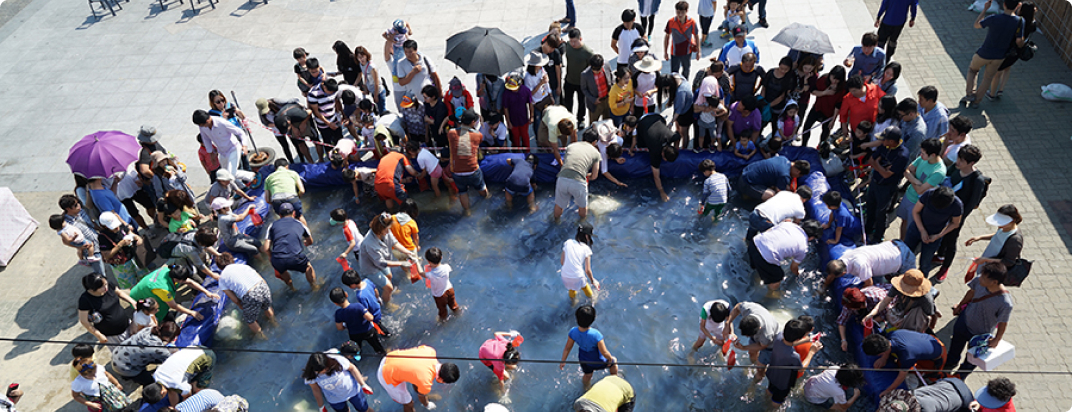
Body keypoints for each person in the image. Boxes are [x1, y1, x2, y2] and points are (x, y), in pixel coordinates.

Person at [945, 262, 1013, 377]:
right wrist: (960, 305)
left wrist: (997, 339)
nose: (979, 278)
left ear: (994, 282)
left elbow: (1003, 323)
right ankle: (950, 363)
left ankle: (960, 376)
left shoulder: (1005, 303)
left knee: (972, 360)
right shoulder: (979, 281)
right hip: (964, 321)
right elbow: (971, 292)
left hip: (980, 334)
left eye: (983, 277)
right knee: (955, 346)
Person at [933, 145, 986, 281]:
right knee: (942, 235)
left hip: (957, 215)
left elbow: (971, 204)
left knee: (951, 239)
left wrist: (957, 219)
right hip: (943, 209)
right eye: (958, 158)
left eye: (962, 161)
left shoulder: (977, 180)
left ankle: (945, 266)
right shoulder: (956, 168)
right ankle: (940, 255)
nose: (958, 162)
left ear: (971, 163)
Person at [962, 0, 1025, 108]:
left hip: (984, 53)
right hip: (999, 56)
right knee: (988, 78)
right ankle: (977, 101)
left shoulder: (994, 18)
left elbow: (977, 25)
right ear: (1018, 6)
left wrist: (985, 9)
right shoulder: (1020, 21)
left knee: (973, 70)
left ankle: (969, 94)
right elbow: (1019, 41)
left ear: (1004, 4)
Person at [863, 329, 945, 396]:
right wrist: (884, 358)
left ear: (880, 353)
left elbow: (901, 376)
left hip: (939, 353)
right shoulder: (893, 334)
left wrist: (888, 391)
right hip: (929, 339)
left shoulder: (907, 356)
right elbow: (888, 345)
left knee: (912, 371)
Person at [376, 346, 459, 412]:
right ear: (441, 380)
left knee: (417, 380)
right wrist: (427, 404)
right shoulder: (426, 382)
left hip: (389, 357)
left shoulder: (430, 351)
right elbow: (422, 396)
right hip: (385, 375)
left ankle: (421, 392)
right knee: (409, 403)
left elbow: (417, 371)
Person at [358, 213, 417, 306]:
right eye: (387, 229)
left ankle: (389, 292)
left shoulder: (385, 231)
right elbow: (381, 263)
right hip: (370, 268)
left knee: (389, 275)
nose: (389, 231)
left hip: (380, 260)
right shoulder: (369, 243)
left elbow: (395, 243)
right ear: (380, 229)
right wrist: (401, 263)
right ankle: (388, 304)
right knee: (388, 287)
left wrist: (408, 252)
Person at [863, 127, 910, 243]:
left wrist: (877, 164)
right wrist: (880, 167)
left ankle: (878, 236)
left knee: (881, 212)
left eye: (885, 140)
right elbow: (871, 160)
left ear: (892, 141)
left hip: (887, 187)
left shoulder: (902, 155)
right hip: (874, 182)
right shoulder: (884, 146)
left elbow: (886, 175)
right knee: (870, 206)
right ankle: (868, 228)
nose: (882, 142)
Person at [749, 220, 822, 292]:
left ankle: (757, 277)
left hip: (755, 242)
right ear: (812, 237)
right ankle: (770, 296)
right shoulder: (803, 248)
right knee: (777, 277)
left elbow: (769, 231)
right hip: (765, 256)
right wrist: (798, 274)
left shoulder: (789, 224)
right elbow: (793, 268)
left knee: (758, 266)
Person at [906, 186, 964, 276]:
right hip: (916, 228)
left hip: (935, 235)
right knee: (905, 254)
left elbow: (955, 223)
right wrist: (922, 230)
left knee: (925, 264)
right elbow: (915, 211)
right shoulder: (929, 194)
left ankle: (921, 284)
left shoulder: (957, 205)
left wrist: (939, 235)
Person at [262, 202, 319, 292]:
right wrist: (306, 243)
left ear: (280, 215)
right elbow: (310, 241)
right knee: (308, 267)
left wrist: (270, 257)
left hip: (278, 259)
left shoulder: (272, 225)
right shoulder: (300, 224)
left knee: (282, 271)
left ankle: (292, 288)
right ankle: (314, 286)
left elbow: (266, 248)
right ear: (294, 213)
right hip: (294, 258)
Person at [216, 253, 274, 339]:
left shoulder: (222, 279)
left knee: (250, 321)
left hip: (250, 294)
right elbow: (261, 279)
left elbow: (234, 299)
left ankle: (263, 338)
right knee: (267, 306)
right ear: (232, 260)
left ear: (219, 267)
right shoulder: (243, 266)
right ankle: (275, 323)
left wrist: (243, 307)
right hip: (262, 286)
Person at [897, 138, 947, 239]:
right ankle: (901, 241)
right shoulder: (923, 158)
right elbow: (907, 171)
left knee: (911, 229)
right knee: (904, 221)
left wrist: (911, 177)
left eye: (923, 153)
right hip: (908, 195)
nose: (920, 155)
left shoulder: (938, 172)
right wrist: (916, 181)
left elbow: (920, 190)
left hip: (917, 203)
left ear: (932, 155)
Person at [130, 265, 214, 324]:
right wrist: (192, 313)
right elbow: (174, 306)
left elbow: (190, 282)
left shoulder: (170, 271)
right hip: (140, 297)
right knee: (155, 317)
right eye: (183, 280)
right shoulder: (164, 289)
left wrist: (206, 292)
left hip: (147, 290)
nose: (185, 281)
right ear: (177, 279)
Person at [560, 304, 618, 389]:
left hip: (583, 359)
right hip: (597, 360)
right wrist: (609, 359)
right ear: (593, 319)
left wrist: (563, 360)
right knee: (614, 362)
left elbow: (567, 348)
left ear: (577, 319)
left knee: (587, 375)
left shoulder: (573, 332)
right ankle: (615, 381)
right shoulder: (596, 335)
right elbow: (604, 352)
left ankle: (586, 388)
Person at [767, 319, 822, 405]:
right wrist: (812, 352)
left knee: (770, 390)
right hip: (782, 384)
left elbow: (789, 343)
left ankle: (766, 398)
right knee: (777, 402)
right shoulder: (794, 356)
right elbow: (801, 369)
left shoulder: (779, 337)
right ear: (798, 339)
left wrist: (808, 339)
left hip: (771, 374)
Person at [723, 301, 782, 381]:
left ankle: (757, 378)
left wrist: (743, 347)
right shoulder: (748, 309)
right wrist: (728, 323)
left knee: (760, 368)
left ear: (759, 329)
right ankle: (754, 364)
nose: (747, 337)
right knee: (751, 353)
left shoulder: (767, 333)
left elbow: (763, 346)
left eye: (748, 335)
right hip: (759, 337)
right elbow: (737, 307)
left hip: (770, 345)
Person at [302, 348, 374, 412]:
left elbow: (352, 368)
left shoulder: (335, 358)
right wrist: (321, 406)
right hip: (335, 400)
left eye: (326, 368)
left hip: (353, 391)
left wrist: (363, 384)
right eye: (321, 372)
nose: (325, 371)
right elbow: (316, 390)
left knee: (365, 410)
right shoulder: (310, 375)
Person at [553, 128, 602, 220]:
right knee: (583, 207)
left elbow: (569, 162)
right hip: (578, 182)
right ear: (595, 142)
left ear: (582, 138)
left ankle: (556, 221)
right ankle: (582, 223)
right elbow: (595, 176)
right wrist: (587, 176)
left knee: (559, 205)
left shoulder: (571, 146)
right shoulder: (596, 153)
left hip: (562, 178)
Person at [448, 109, 489, 215]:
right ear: (473, 122)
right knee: (481, 187)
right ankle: (487, 198)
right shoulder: (478, 135)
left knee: (462, 191)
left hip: (456, 171)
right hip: (472, 169)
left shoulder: (451, 133)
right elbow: (475, 138)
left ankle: (467, 211)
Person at [111, 322, 179, 385]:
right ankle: (131, 376)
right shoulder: (158, 349)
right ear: (167, 338)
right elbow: (171, 360)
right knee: (149, 381)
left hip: (117, 354)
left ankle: (126, 376)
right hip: (124, 367)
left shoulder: (148, 330)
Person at [78, 273, 135, 345]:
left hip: (127, 324)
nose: (106, 288)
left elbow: (119, 293)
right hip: (112, 335)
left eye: (106, 284)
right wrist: (98, 335)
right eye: (101, 287)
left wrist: (132, 302)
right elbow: (84, 321)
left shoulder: (108, 285)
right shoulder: (85, 300)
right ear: (92, 289)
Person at [828, 240, 916, 287]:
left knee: (909, 285)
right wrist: (823, 288)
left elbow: (869, 284)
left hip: (904, 258)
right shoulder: (842, 259)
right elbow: (832, 273)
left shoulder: (860, 265)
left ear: (843, 273)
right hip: (893, 245)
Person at [633, 113, 680, 202]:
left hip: (658, 117)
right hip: (642, 122)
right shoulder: (655, 150)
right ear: (662, 155)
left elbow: (678, 137)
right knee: (641, 144)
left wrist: (676, 148)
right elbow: (656, 176)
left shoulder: (670, 136)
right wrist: (662, 192)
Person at [993, 2, 1036, 99]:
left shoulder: (1018, 22)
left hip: (1008, 48)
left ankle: (992, 92)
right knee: (1007, 68)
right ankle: (1001, 89)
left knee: (998, 71)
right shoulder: (1032, 24)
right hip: (1018, 51)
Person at [965, 204, 1024, 273]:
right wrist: (980, 237)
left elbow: (1009, 261)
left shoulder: (1015, 240)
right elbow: (998, 235)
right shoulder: (1004, 227)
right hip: (986, 261)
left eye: (1001, 222)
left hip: (993, 271)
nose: (999, 225)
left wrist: (986, 260)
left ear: (1012, 220)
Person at [59, 195, 108, 275]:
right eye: (75, 205)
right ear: (68, 209)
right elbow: (65, 241)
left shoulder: (82, 211)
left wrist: (102, 230)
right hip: (91, 249)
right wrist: (79, 247)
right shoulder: (64, 223)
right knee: (100, 273)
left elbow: (91, 223)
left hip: (99, 240)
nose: (78, 206)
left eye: (78, 203)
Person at [152, 347, 217, 406]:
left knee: (198, 390)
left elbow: (187, 396)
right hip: (192, 349)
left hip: (206, 355)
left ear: (162, 392)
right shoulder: (156, 375)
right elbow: (171, 392)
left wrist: (181, 408)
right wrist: (174, 407)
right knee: (187, 383)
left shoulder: (177, 383)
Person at [801, 65, 847, 148]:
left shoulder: (843, 88)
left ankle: (820, 147)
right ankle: (803, 145)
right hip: (818, 108)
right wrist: (824, 93)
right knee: (806, 128)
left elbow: (838, 105)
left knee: (825, 133)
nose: (834, 81)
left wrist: (833, 120)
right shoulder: (823, 80)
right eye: (833, 78)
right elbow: (813, 91)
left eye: (837, 79)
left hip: (829, 113)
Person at [193, 110, 246, 178]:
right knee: (224, 175)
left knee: (230, 175)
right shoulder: (202, 127)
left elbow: (240, 132)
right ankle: (242, 186)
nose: (202, 127)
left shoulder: (222, 123)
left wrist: (244, 145)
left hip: (233, 148)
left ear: (207, 121)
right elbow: (206, 139)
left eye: (202, 125)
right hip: (222, 152)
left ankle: (252, 176)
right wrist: (211, 153)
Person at [331, 287, 384, 355]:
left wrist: (346, 325)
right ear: (346, 294)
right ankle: (381, 353)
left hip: (354, 334)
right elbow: (370, 318)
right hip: (368, 330)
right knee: (377, 346)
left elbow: (339, 328)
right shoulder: (357, 306)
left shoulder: (338, 313)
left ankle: (359, 356)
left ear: (335, 303)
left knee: (357, 348)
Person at [746, 186, 811, 241]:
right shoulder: (801, 210)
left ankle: (747, 241)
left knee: (752, 231)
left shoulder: (783, 193)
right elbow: (793, 226)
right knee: (766, 242)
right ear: (805, 200)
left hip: (756, 212)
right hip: (767, 222)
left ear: (796, 191)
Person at [341, 269, 391, 339]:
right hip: (377, 306)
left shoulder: (360, 295)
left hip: (374, 315)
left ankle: (387, 335)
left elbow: (365, 310)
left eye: (349, 286)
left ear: (352, 285)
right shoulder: (367, 281)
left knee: (380, 328)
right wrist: (377, 299)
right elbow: (375, 290)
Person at [738, 155, 811, 201]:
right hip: (746, 182)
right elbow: (780, 194)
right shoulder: (784, 175)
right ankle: (746, 194)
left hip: (746, 171)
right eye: (799, 176)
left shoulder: (783, 158)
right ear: (798, 172)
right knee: (772, 195)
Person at [560, 222, 600, 301]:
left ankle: (573, 301)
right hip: (578, 276)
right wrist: (593, 281)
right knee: (585, 286)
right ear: (586, 236)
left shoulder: (568, 243)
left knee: (571, 288)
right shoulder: (586, 249)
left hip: (564, 276)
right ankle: (592, 299)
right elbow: (587, 270)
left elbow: (562, 262)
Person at [396, 40, 441, 110]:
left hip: (429, 98)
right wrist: (412, 72)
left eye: (410, 52)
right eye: (406, 52)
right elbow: (401, 82)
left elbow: (435, 76)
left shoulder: (425, 59)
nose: (408, 54)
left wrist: (440, 93)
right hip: (414, 101)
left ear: (416, 50)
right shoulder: (401, 63)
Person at [563, 28, 595, 123]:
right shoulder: (568, 46)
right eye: (571, 41)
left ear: (580, 39)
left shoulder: (587, 52)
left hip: (581, 83)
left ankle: (580, 119)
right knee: (568, 101)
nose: (573, 44)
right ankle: (568, 118)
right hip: (569, 79)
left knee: (581, 102)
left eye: (575, 41)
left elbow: (591, 69)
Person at [420, 247, 461, 321]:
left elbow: (421, 273)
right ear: (441, 257)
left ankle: (443, 321)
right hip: (449, 289)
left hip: (440, 295)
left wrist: (416, 262)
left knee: (442, 310)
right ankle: (458, 313)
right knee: (453, 304)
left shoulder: (430, 274)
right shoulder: (446, 266)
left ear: (428, 261)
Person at [265, 159, 308, 226]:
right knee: (299, 216)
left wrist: (275, 203)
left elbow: (267, 199)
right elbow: (302, 190)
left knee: (285, 220)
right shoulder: (293, 173)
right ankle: (307, 234)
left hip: (277, 200)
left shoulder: (268, 178)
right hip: (292, 197)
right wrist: (297, 198)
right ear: (287, 166)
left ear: (275, 169)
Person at [308, 78, 344, 158]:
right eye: (330, 93)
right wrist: (328, 123)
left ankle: (342, 155)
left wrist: (342, 115)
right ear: (324, 87)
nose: (331, 94)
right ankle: (331, 158)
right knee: (328, 142)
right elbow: (316, 112)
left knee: (339, 139)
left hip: (334, 119)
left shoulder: (333, 89)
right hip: (323, 123)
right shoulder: (313, 94)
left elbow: (337, 101)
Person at [663, 1, 700, 78]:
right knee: (674, 72)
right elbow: (667, 37)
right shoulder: (671, 22)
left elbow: (696, 36)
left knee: (686, 70)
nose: (680, 14)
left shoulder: (692, 22)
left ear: (687, 11)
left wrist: (698, 51)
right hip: (675, 52)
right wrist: (665, 52)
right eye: (678, 12)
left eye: (682, 12)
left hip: (687, 51)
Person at [502, 73, 534, 149]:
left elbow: (530, 104)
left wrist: (531, 116)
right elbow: (505, 108)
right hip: (513, 121)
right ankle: (517, 154)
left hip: (524, 119)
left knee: (525, 136)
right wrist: (508, 122)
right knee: (515, 139)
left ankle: (527, 153)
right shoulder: (506, 93)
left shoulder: (526, 90)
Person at [581, 54, 614, 122]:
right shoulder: (585, 74)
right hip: (595, 104)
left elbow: (611, 77)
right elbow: (584, 89)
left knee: (607, 121)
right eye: (594, 69)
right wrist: (593, 99)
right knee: (593, 123)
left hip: (607, 99)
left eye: (598, 69)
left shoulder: (606, 64)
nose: (596, 71)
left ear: (602, 64)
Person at [422, 85, 450, 149]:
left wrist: (428, 120)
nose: (424, 99)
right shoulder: (426, 104)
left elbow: (438, 122)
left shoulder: (441, 107)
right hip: (432, 131)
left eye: (426, 97)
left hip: (442, 132)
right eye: (424, 97)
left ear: (433, 97)